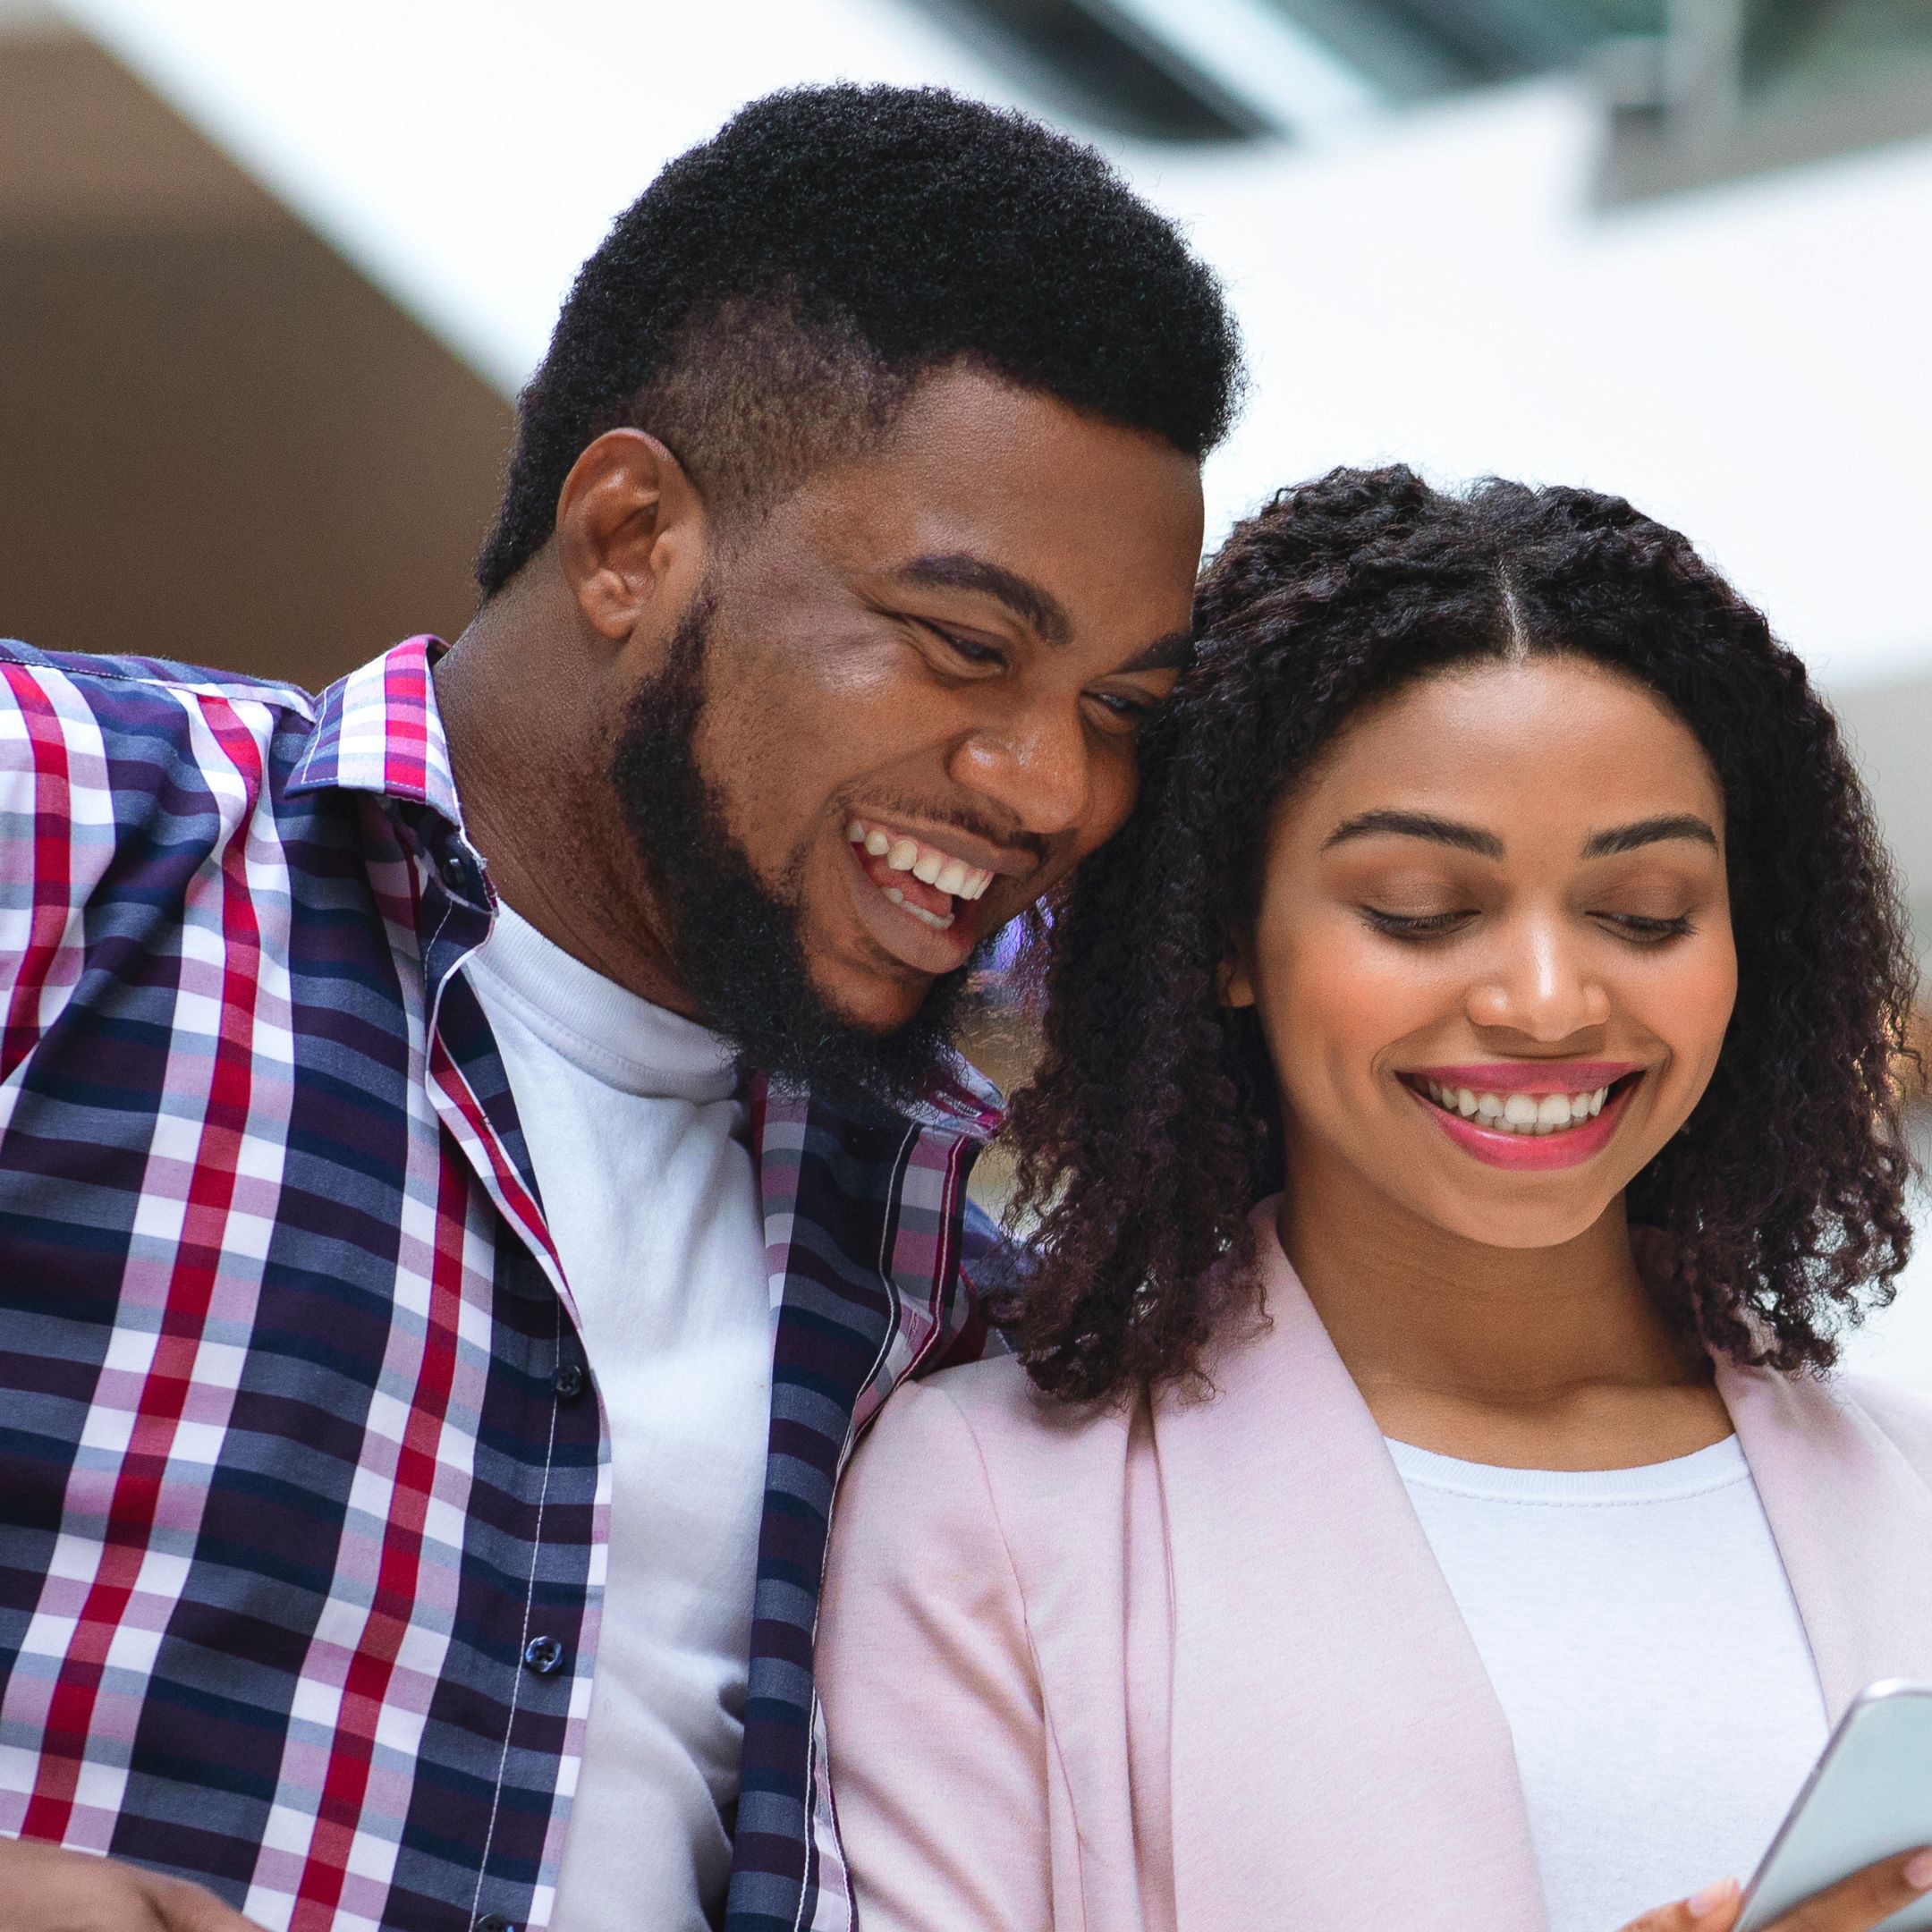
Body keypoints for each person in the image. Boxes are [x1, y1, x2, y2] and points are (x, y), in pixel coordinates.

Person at [0, 84, 1239, 1932]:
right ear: (631, 536)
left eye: (1119, 715)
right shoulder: (73, 828)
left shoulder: (950, 1282)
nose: (1051, 788)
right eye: (969, 647)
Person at [818, 467, 1932, 1932]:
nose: (1547, 1002)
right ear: (1229, 935)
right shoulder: (995, 1511)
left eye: (1644, 913)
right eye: (1419, 909)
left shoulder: (1906, 1487)